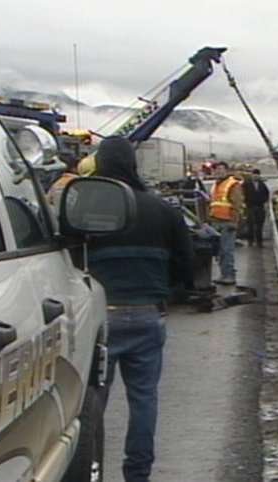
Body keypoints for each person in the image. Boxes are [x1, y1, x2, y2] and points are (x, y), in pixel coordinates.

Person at [87, 136, 194, 482]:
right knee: (144, 400)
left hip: (101, 319)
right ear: (132, 164)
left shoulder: (87, 207)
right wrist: (168, 291)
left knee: (92, 406)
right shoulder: (163, 209)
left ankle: (91, 470)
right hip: (148, 314)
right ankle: (137, 474)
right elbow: (186, 265)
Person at [208, 162, 244, 285]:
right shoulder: (216, 185)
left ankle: (229, 275)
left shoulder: (232, 184)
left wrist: (234, 222)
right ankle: (224, 274)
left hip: (227, 222)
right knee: (220, 251)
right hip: (216, 221)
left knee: (227, 250)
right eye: (216, 169)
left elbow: (237, 204)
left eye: (221, 169)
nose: (218, 172)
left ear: (227, 171)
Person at [242, 168, 270, 247]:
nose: (255, 176)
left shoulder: (262, 184)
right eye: (254, 174)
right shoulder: (246, 184)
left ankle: (259, 242)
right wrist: (245, 202)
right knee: (250, 224)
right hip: (250, 207)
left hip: (260, 207)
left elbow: (266, 194)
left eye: (257, 175)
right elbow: (243, 193)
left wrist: (264, 201)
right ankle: (250, 241)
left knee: (259, 225)